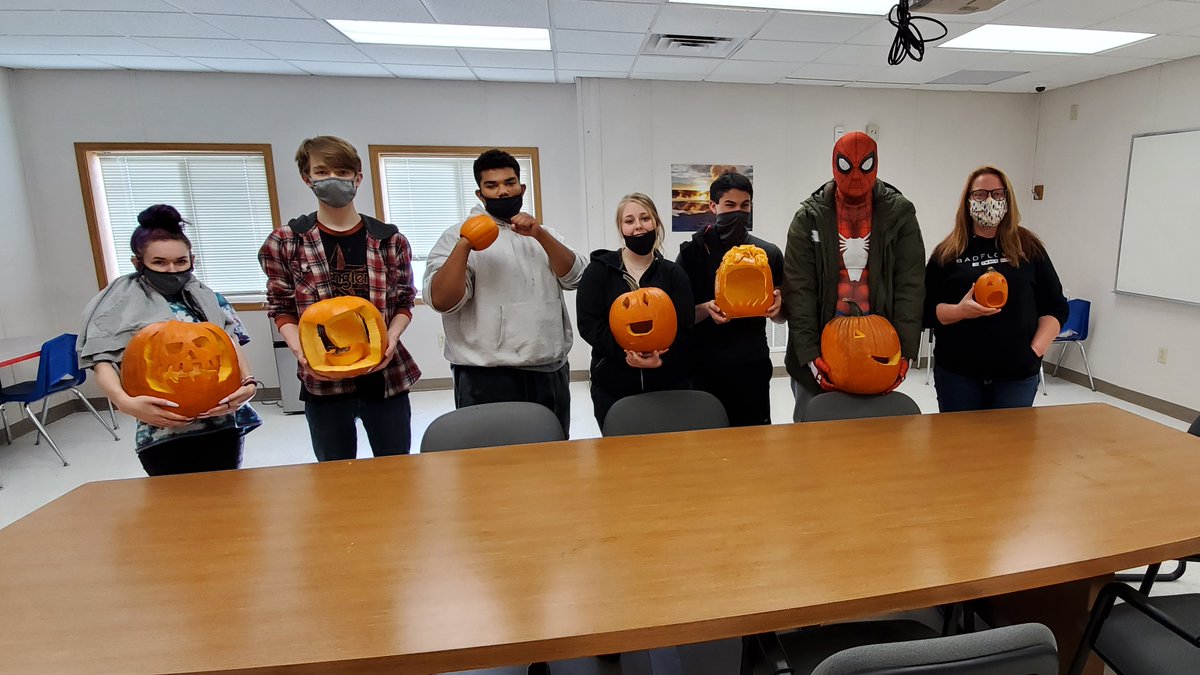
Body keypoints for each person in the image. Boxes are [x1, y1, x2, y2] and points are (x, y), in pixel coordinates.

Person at [259, 135, 420, 460]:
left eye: (343, 172)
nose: (334, 179)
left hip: (385, 376)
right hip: (323, 379)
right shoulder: (286, 242)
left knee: (396, 468)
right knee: (334, 472)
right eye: (322, 172)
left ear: (357, 178)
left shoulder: (390, 241)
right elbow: (281, 306)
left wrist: (391, 337)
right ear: (308, 178)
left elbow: (404, 300)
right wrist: (301, 350)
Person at [78, 204, 261, 476]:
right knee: (173, 507)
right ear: (138, 263)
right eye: (159, 262)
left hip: (222, 423)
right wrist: (125, 403)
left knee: (227, 501)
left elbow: (229, 344)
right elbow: (101, 359)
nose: (171, 269)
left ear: (192, 260)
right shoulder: (116, 304)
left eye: (180, 261)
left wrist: (248, 384)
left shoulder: (208, 298)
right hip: (161, 430)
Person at [424, 148, 586, 436]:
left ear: (522, 187)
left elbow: (576, 276)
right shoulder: (455, 236)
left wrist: (540, 235)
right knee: (490, 466)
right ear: (479, 193)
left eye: (509, 183)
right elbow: (442, 301)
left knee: (553, 459)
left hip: (549, 370)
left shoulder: (542, 232)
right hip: (485, 378)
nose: (502, 191)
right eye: (492, 185)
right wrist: (464, 245)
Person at [783, 131, 925, 418]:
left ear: (877, 164)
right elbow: (800, 291)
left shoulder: (901, 215)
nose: (857, 175)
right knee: (814, 438)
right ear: (835, 164)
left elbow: (910, 284)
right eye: (847, 166)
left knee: (873, 442)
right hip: (821, 351)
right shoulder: (808, 218)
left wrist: (905, 351)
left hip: (878, 348)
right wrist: (810, 355)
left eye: (866, 165)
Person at [925, 165, 1069, 411]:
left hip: (1016, 375)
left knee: (1010, 447)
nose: (989, 201)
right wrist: (960, 311)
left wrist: (1035, 351)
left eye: (997, 194)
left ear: (1008, 199)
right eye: (980, 194)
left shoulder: (1029, 248)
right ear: (968, 200)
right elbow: (925, 311)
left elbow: (1055, 307)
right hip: (959, 376)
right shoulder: (947, 253)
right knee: (959, 447)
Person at [576, 193, 694, 427]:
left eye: (645, 219)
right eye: (629, 221)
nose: (638, 227)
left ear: (656, 223)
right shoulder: (599, 272)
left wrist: (661, 360)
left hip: (668, 384)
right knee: (620, 456)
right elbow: (590, 325)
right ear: (621, 228)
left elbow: (685, 327)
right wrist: (627, 354)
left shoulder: (673, 274)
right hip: (613, 386)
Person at [676, 172, 784, 427]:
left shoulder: (768, 253)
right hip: (704, 366)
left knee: (753, 441)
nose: (738, 212)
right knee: (706, 441)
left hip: (751, 363)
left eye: (744, 206)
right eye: (730, 205)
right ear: (713, 206)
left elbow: (781, 316)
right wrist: (705, 309)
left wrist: (778, 308)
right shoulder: (692, 253)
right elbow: (680, 316)